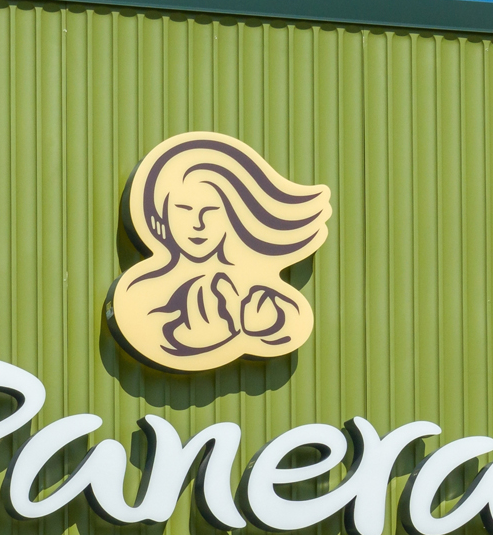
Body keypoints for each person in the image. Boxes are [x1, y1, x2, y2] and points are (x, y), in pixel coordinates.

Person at [110, 132, 331, 372]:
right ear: (161, 215)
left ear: (231, 216)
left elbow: (292, 324)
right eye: (184, 209)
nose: (198, 223)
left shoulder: (257, 292)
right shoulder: (139, 293)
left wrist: (258, 324)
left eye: (211, 210)